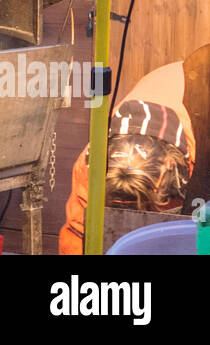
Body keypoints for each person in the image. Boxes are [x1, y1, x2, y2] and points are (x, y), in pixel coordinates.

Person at [60, 62, 195, 254]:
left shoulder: (206, 148)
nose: (138, 210)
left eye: (145, 203)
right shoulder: (91, 164)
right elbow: (77, 232)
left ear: (169, 165)